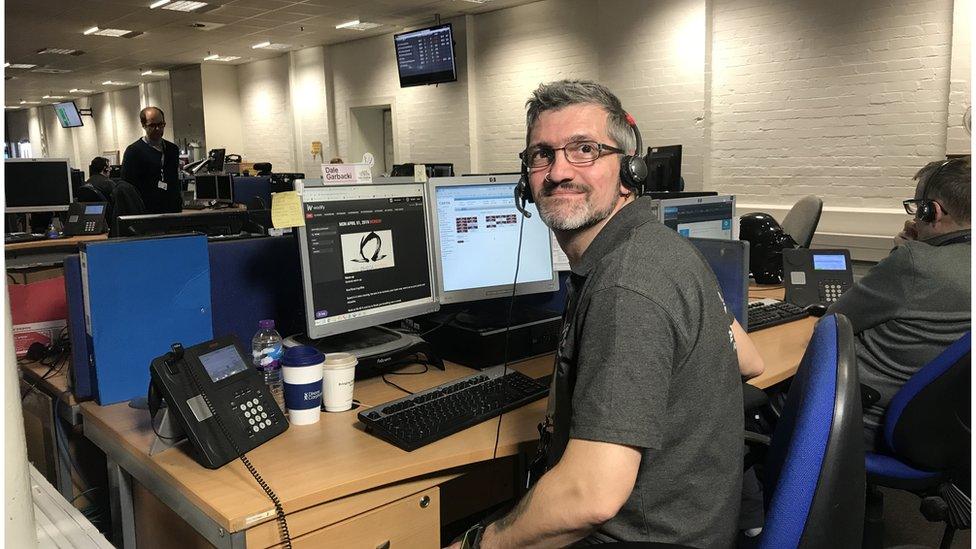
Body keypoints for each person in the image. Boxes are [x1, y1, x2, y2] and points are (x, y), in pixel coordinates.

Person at [453, 80, 749, 548]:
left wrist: (476, 545)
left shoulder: (625, 286)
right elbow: (749, 359)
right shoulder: (659, 249)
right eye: (541, 155)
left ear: (630, 172)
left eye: (585, 150)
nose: (557, 172)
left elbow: (590, 497)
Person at [828, 156, 971, 451]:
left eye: (919, 207)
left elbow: (832, 323)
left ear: (933, 211)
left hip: (861, 416)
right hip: (941, 426)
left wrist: (904, 254)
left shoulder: (913, 263)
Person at [121, 106, 181, 213]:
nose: (158, 129)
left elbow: (174, 181)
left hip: (172, 209)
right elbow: (128, 188)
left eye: (161, 125)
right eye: (152, 125)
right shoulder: (133, 151)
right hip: (146, 211)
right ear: (143, 125)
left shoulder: (172, 149)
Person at [80, 157, 145, 234]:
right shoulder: (108, 183)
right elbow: (120, 202)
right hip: (111, 222)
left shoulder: (86, 184)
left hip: (92, 222)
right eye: (109, 168)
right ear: (105, 169)